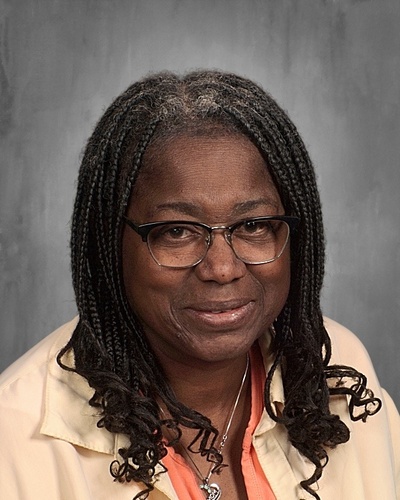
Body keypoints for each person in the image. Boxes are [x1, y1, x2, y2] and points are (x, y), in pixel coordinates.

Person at [0, 70, 399, 500]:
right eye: (176, 232)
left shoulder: (340, 368)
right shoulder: (15, 440)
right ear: (108, 243)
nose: (222, 268)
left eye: (254, 225)